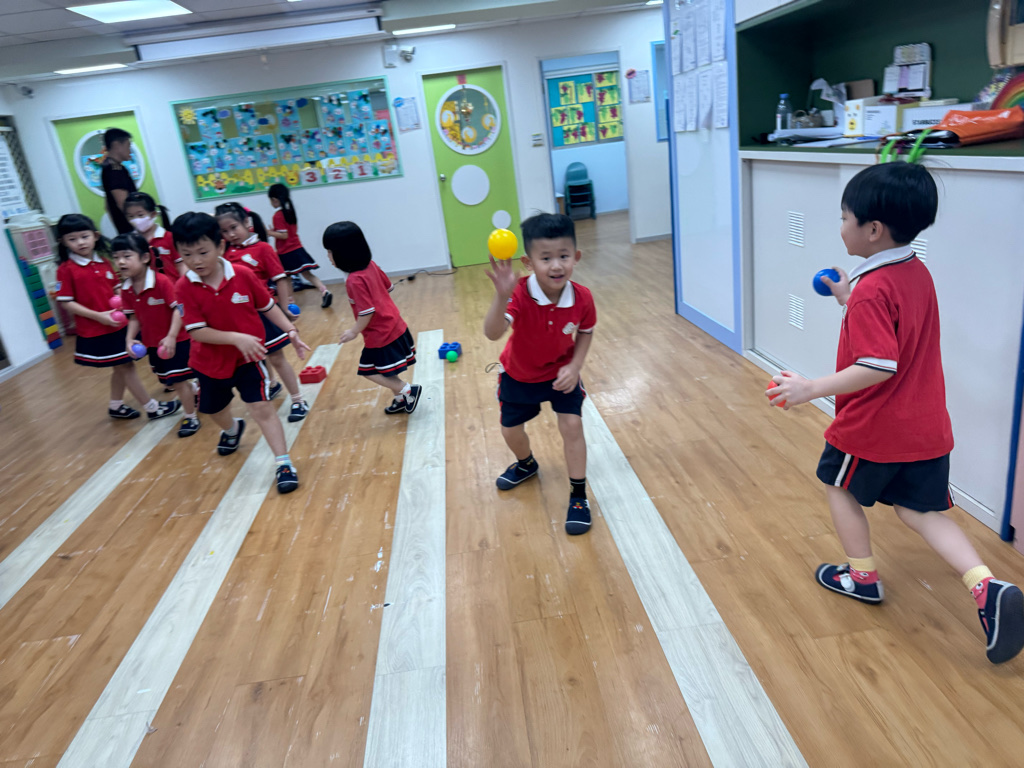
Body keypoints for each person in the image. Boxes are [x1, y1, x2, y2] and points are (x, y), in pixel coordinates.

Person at [767, 162, 1024, 664]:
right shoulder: (914, 272)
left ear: (873, 230)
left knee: (838, 485)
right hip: (926, 427)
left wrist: (811, 388)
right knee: (920, 510)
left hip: (875, 427)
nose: (841, 227)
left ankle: (862, 577)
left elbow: (877, 365)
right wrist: (848, 297)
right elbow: (895, 333)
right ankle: (987, 587)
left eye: (844, 218)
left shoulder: (873, 290)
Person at [172, 211, 310, 494]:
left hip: (249, 359)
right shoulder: (184, 286)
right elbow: (197, 331)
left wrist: (290, 330)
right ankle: (232, 429)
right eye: (187, 255)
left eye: (203, 252)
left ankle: (283, 463)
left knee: (262, 408)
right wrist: (236, 338)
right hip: (209, 363)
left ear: (220, 246)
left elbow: (267, 306)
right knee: (214, 410)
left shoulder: (243, 274)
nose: (196, 261)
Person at [483, 213, 596, 536]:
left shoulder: (583, 297)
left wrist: (575, 366)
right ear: (528, 262)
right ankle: (527, 464)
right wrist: (501, 295)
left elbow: (586, 331)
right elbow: (492, 333)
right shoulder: (519, 293)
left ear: (576, 257)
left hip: (562, 373)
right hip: (518, 375)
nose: (556, 266)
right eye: (545, 258)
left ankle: (578, 496)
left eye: (563, 256)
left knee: (572, 426)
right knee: (510, 431)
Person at [54, 213, 180, 422]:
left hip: (118, 324)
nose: (80, 242)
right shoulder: (66, 270)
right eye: (72, 239)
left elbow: (115, 289)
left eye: (84, 236)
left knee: (121, 367)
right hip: (98, 330)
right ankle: (151, 408)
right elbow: (66, 302)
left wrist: (127, 301)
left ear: (95, 236)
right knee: (125, 366)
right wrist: (98, 316)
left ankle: (115, 405)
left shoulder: (104, 262)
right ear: (63, 241)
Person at [215, 202, 309, 422]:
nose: (230, 234)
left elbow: (281, 279)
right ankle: (272, 384)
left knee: (276, 357)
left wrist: (284, 308)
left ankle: (298, 399)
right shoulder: (225, 253)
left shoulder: (263, 249)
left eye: (234, 227)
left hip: (264, 313)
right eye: (224, 231)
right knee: (255, 357)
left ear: (246, 222)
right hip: (240, 316)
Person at [323, 221, 421, 414]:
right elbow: (389, 287)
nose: (328, 256)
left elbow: (367, 311)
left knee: (368, 370)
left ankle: (407, 390)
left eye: (329, 251)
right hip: (395, 325)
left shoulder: (354, 280)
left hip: (381, 335)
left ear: (343, 253)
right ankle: (401, 399)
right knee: (386, 370)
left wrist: (353, 331)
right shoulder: (371, 265)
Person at [113, 232, 200, 438]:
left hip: (177, 342)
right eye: (116, 257)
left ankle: (191, 417)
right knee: (172, 381)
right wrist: (129, 339)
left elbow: (178, 309)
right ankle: (195, 391)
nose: (120, 262)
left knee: (178, 381)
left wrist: (171, 336)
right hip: (153, 344)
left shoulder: (162, 282)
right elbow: (134, 317)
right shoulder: (126, 289)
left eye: (126, 256)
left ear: (145, 257)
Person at [266, 183, 333, 308]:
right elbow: (288, 232)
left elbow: (284, 235)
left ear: (274, 199)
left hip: (286, 252)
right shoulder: (290, 212)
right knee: (308, 275)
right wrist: (274, 231)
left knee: (286, 278)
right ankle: (324, 290)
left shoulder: (278, 215)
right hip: (297, 248)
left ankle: (290, 303)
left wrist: (269, 233)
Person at [124, 191, 184, 277]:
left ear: (153, 214)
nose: (136, 220)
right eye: (131, 216)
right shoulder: (130, 241)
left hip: (172, 284)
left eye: (140, 215)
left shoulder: (169, 237)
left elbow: (180, 264)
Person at [100, 128, 137, 235]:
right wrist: (138, 225)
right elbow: (123, 203)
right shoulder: (115, 170)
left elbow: (107, 207)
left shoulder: (108, 167)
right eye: (128, 146)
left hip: (124, 230)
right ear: (116, 145)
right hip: (131, 230)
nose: (130, 151)